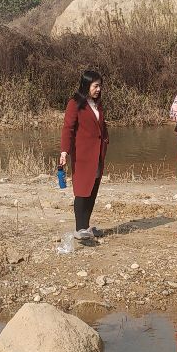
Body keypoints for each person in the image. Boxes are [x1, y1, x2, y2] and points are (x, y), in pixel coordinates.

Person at [59, 68, 108, 241]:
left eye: (100, 86)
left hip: (98, 154)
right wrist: (64, 151)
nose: (98, 89)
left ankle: (86, 226)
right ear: (86, 85)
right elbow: (68, 129)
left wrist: (106, 141)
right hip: (82, 155)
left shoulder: (97, 103)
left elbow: (101, 126)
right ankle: (80, 229)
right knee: (82, 190)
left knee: (93, 190)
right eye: (96, 86)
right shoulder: (75, 103)